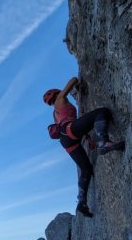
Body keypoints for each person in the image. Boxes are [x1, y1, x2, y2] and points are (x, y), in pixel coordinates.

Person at [43, 77, 125, 218]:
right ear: (57, 93)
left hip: (67, 140)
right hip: (70, 131)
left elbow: (79, 122)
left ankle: (82, 202)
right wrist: (74, 87)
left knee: (86, 168)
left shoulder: (55, 113)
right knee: (102, 112)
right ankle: (104, 142)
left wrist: (87, 138)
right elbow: (73, 79)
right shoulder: (60, 99)